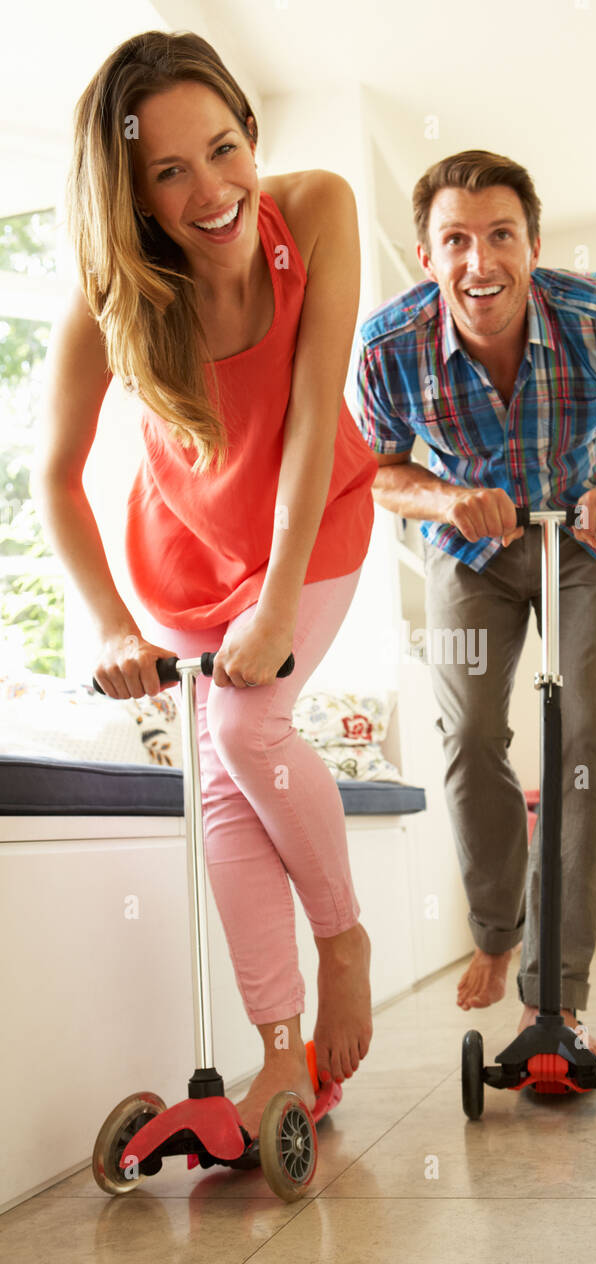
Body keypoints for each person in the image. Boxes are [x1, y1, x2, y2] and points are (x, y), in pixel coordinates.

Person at [31, 31, 377, 1135]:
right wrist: (105, 623)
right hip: (180, 560)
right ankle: (279, 1053)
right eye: (167, 173)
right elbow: (54, 474)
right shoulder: (110, 300)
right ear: (130, 197)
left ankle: (343, 937)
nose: (211, 190)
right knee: (219, 779)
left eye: (222, 149)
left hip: (311, 523)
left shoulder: (315, 207)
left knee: (245, 730)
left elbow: (315, 413)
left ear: (252, 136)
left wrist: (275, 603)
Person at [354, 149, 596, 1052]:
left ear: (534, 242)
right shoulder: (388, 347)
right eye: (457, 241)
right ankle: (496, 930)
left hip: (585, 538)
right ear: (426, 254)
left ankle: (551, 995)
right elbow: (376, 473)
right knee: (471, 729)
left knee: (589, 738)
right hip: (469, 546)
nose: (482, 262)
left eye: (501, 236)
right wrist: (445, 498)